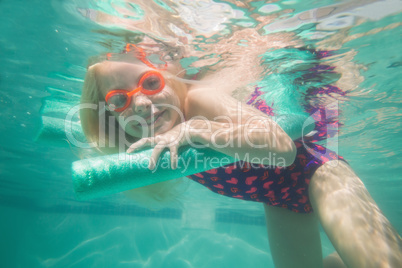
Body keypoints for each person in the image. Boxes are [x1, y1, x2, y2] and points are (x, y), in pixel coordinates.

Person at [80, 44, 401, 268]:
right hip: (280, 198)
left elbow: (282, 148)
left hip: (315, 171)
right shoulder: (144, 138)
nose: (138, 104)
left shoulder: (200, 100)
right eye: (119, 99)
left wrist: (196, 130)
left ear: (171, 77)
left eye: (150, 82)